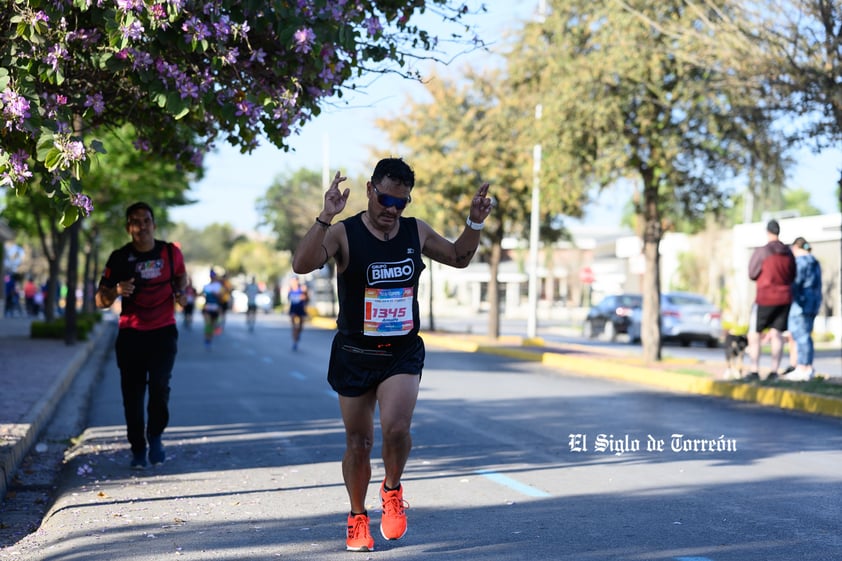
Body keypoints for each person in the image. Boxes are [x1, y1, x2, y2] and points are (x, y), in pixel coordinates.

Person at [292, 157, 493, 552]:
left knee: (397, 429)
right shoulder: (345, 234)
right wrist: (325, 217)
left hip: (401, 351)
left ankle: (392, 489)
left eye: (401, 203)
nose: (392, 210)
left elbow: (458, 257)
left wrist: (474, 222)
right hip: (353, 351)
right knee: (359, 443)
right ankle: (356, 516)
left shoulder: (414, 231)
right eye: (385, 199)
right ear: (370, 190)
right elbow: (302, 265)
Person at [95, 202, 188, 469]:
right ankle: (137, 448)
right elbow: (100, 300)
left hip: (163, 332)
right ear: (128, 228)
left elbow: (182, 278)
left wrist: (181, 293)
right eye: (135, 221)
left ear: (154, 224)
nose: (141, 226)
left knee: (160, 387)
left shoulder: (170, 253)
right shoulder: (119, 258)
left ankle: (155, 436)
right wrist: (115, 290)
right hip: (131, 334)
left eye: (146, 220)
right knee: (132, 396)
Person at [746, 219, 796, 380]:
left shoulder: (762, 251)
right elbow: (793, 275)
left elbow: (752, 273)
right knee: (777, 334)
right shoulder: (788, 252)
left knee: (754, 334)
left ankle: (754, 370)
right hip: (784, 298)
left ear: (768, 232)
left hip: (765, 298)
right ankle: (774, 371)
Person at [782, 237, 823, 380]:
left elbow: (796, 283)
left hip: (801, 303)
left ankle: (802, 367)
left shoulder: (800, 262)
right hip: (814, 303)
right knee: (807, 336)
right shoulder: (815, 262)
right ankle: (808, 367)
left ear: (796, 248)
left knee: (800, 336)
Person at [202, 270, 225, 348]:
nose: (212, 277)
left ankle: (209, 339)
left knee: (212, 325)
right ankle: (206, 339)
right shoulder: (206, 286)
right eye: (211, 276)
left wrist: (215, 294)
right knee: (208, 324)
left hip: (215, 308)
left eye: (213, 276)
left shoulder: (218, 286)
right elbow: (203, 296)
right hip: (208, 307)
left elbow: (221, 297)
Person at [287, 276, 309, 350]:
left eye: (295, 281)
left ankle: (298, 334)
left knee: (301, 326)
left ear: (297, 281)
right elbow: (289, 299)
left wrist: (305, 295)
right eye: (292, 281)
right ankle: (295, 342)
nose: (294, 283)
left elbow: (307, 299)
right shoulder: (290, 289)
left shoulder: (302, 289)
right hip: (293, 309)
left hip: (300, 308)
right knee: (294, 327)